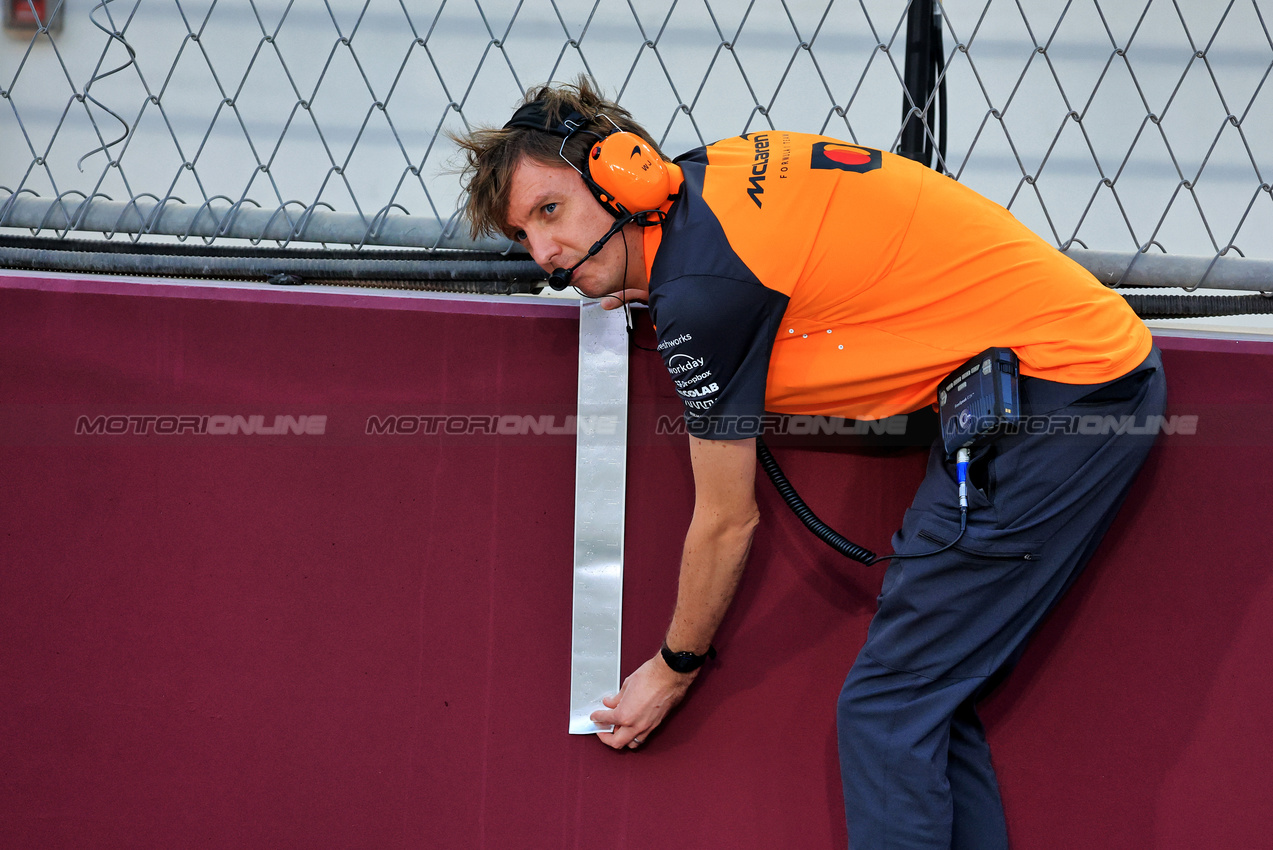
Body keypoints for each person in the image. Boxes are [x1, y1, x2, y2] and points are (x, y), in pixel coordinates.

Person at [452, 76, 1165, 849]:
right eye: (522, 235)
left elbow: (726, 522)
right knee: (923, 695)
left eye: (549, 212)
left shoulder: (703, 292)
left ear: (621, 176)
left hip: (1061, 395)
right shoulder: (708, 181)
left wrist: (674, 666)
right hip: (1053, 378)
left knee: (888, 708)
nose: (544, 258)